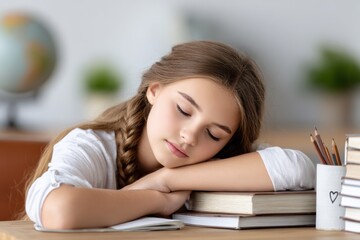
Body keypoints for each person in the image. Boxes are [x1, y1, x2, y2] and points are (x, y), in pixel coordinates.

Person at [24, 41, 315, 230]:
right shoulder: (92, 147)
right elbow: (59, 211)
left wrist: (167, 179)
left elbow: (297, 167)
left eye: (213, 134)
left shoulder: (218, 162)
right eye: (184, 110)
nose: (190, 136)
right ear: (154, 90)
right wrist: (156, 200)